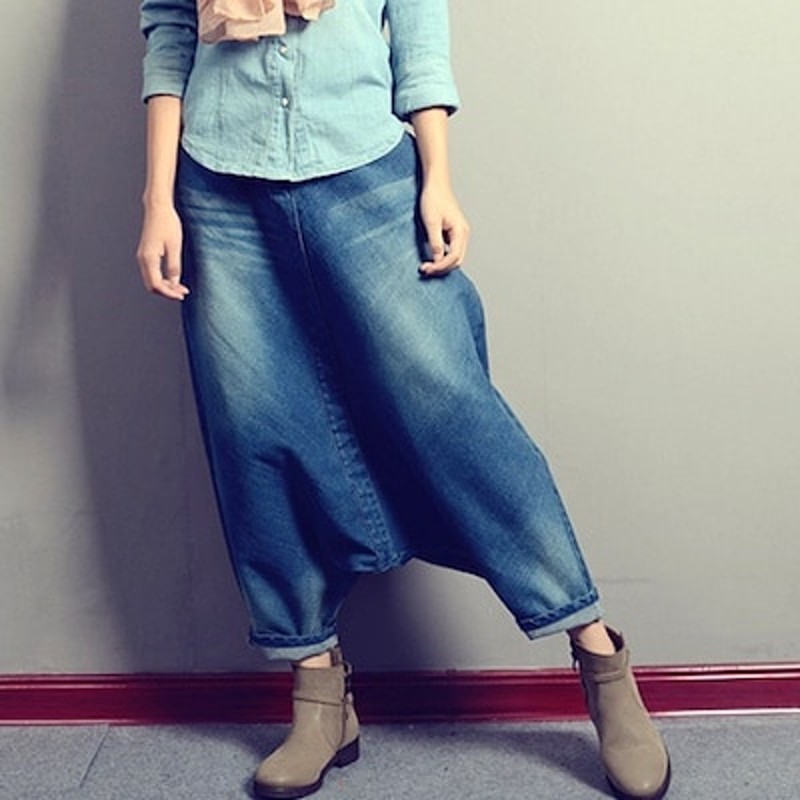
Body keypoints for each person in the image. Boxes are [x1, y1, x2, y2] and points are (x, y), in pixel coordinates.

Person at [136, 2, 671, 798]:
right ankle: (319, 691)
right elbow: (169, 28)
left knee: (451, 410)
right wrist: (158, 200)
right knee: (258, 430)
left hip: (364, 164)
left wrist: (439, 179)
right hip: (220, 182)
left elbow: (418, 23)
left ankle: (597, 653)